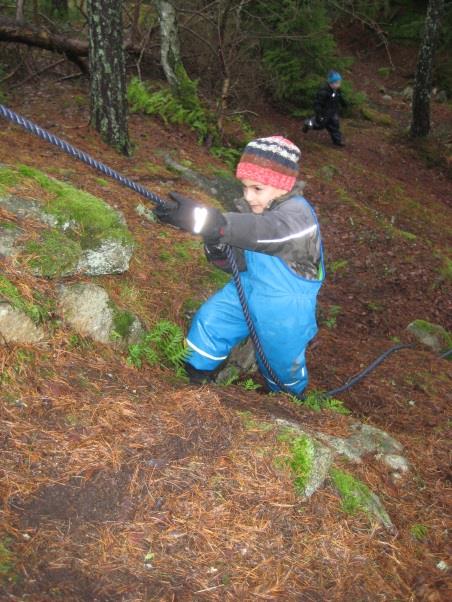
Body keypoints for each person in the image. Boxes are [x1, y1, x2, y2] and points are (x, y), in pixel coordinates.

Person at [155, 136, 325, 395]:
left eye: (257, 189)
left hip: (286, 304)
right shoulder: (262, 214)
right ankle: (193, 378)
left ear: (283, 186)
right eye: (245, 187)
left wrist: (211, 222)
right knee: (212, 320)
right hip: (248, 285)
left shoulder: (298, 217)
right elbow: (237, 261)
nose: (248, 197)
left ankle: (288, 402)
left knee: (281, 358)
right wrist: (214, 241)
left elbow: (267, 233)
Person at [303, 70, 346, 147]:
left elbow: (340, 98)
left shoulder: (337, 90)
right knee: (319, 125)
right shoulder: (323, 92)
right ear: (331, 83)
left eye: (339, 82)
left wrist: (344, 104)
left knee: (335, 126)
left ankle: (337, 141)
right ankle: (308, 123)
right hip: (324, 112)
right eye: (337, 83)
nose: (339, 84)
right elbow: (317, 104)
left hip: (333, 112)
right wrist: (319, 114)